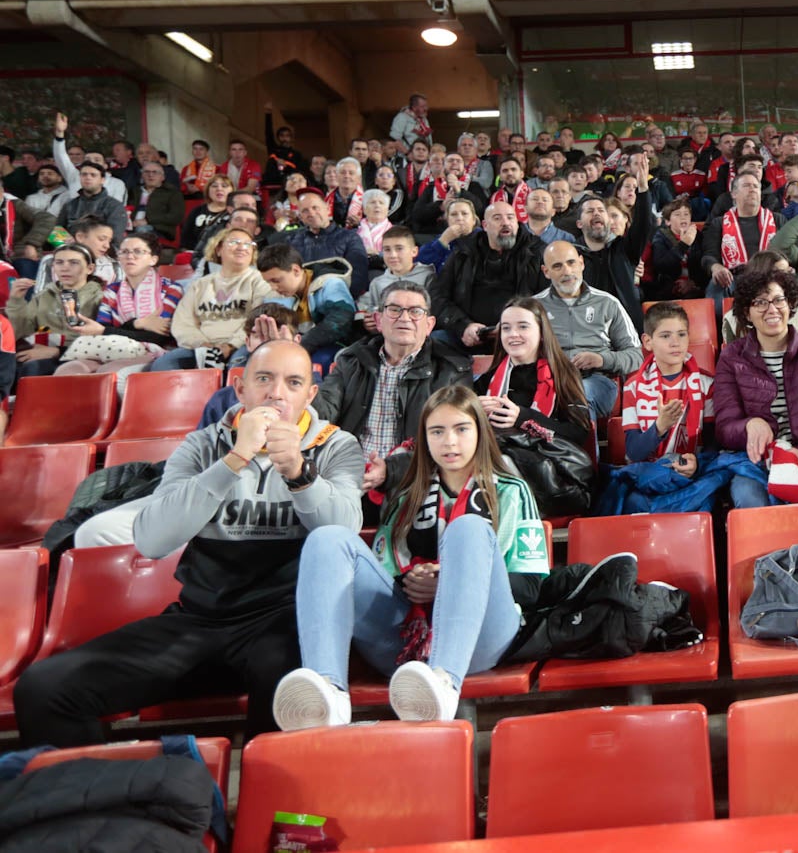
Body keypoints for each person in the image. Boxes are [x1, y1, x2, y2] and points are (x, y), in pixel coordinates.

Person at [16, 340, 365, 745]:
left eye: (293, 383)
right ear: (241, 388)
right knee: (45, 689)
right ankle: (102, 799)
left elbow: (342, 532)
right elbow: (151, 540)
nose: (276, 393)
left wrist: (300, 473)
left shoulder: (337, 446)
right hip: (200, 619)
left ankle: (267, 805)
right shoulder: (201, 447)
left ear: (310, 394)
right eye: (264, 379)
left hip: (286, 623)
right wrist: (234, 461)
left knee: (294, 696)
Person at [271, 385, 547, 729]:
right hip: (406, 645)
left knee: (469, 529)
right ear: (425, 439)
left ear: (480, 432)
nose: (449, 442)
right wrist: (413, 584)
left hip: (484, 636)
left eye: (461, 429)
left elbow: (531, 587)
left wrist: (448, 586)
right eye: (437, 431)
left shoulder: (511, 490)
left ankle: (444, 684)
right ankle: (329, 693)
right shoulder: (406, 496)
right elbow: (386, 579)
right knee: (327, 538)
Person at [314, 282, 472, 521]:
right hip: (349, 476)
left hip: (415, 480)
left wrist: (391, 470)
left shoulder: (451, 370)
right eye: (394, 309)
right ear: (378, 320)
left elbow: (451, 442)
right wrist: (297, 378)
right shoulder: (352, 361)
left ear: (429, 325)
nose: (405, 318)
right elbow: (323, 411)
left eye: (415, 311)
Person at [714, 268, 798, 508]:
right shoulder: (732, 357)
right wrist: (749, 425)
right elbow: (724, 426)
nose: (771, 309)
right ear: (747, 313)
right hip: (756, 461)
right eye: (760, 302)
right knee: (749, 498)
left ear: (791, 304)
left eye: (778, 300)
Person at [474, 296, 595, 515]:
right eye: (506, 328)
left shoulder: (564, 374)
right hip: (496, 465)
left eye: (523, 327)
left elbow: (579, 434)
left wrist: (523, 418)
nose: (513, 334)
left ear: (541, 333)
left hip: (549, 473)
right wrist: (475, 415)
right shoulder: (488, 380)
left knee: (500, 463)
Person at [535, 240, 641, 422]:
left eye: (571, 263)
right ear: (546, 272)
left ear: (581, 263)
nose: (567, 271)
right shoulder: (534, 308)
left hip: (597, 380)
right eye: (558, 266)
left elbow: (636, 356)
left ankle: (584, 452)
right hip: (547, 381)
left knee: (577, 397)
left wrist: (601, 360)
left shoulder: (607, 303)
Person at [619, 303, 718, 498]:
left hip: (692, 474)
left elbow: (713, 442)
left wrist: (698, 463)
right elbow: (633, 452)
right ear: (648, 342)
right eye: (666, 336)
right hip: (649, 474)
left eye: (681, 334)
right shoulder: (632, 386)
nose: (676, 343)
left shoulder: (706, 383)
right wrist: (659, 427)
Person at [54, 232, 182, 376]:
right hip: (110, 349)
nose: (130, 256)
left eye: (138, 252)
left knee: (107, 372)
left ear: (153, 259)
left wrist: (110, 330)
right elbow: (105, 328)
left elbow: (158, 336)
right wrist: (137, 324)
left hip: (156, 351)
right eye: (124, 252)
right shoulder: (112, 290)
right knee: (69, 370)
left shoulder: (171, 289)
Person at [151, 229, 275, 370]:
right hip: (202, 347)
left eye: (248, 244)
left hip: (243, 345)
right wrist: (202, 344)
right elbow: (182, 323)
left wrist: (231, 345)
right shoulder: (200, 285)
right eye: (235, 242)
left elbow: (259, 318)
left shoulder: (260, 281)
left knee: (240, 364)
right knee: (163, 364)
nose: (242, 247)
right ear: (218, 249)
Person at [431, 201, 546, 353]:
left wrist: (514, 325)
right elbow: (438, 297)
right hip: (468, 336)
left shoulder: (537, 252)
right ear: (485, 225)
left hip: (520, 334)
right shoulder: (463, 253)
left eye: (511, 218)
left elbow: (546, 298)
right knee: (435, 340)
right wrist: (463, 326)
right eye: (497, 218)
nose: (506, 223)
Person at [6, 243, 103, 378]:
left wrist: (57, 351)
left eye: (73, 263)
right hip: (37, 350)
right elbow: (20, 333)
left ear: (90, 268)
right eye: (59, 262)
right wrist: (16, 301)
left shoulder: (101, 297)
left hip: (79, 356)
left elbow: (104, 339)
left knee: (32, 368)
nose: (65, 268)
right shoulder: (44, 296)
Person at [257, 244, 356, 370]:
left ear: (296, 270)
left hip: (334, 345)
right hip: (296, 345)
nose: (273, 287)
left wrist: (301, 345)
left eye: (276, 281)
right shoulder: (275, 295)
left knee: (313, 363)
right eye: (268, 282)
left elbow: (341, 320)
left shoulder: (330, 283)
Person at [573, 187, 653, 333]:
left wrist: (643, 189)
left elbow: (644, 224)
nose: (596, 213)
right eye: (590, 211)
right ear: (579, 223)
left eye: (601, 210)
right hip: (587, 331)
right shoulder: (571, 256)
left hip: (626, 328)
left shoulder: (625, 248)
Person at [698, 171, 783, 301]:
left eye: (756, 186)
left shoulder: (777, 219)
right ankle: (722, 321)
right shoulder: (719, 223)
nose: (752, 189)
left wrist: (786, 263)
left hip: (771, 274)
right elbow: (709, 255)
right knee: (717, 284)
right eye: (747, 185)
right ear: (734, 194)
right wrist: (716, 267)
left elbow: (791, 250)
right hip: (735, 277)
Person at [275, 190, 371, 299]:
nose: (311, 213)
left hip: (338, 298)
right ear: (301, 216)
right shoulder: (291, 241)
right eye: (305, 211)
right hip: (300, 299)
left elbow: (359, 275)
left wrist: (339, 296)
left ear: (327, 208)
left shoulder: (349, 237)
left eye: (315, 208)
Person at [356, 226, 433, 330]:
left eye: (399, 249)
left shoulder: (429, 275)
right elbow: (375, 313)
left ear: (414, 251)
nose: (392, 255)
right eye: (387, 250)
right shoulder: (377, 283)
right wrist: (370, 324)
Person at [59, 158, 127, 246]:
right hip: (70, 250)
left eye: (93, 175)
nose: (88, 177)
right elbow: (56, 231)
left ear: (102, 180)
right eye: (84, 174)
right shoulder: (70, 205)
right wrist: (63, 244)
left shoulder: (114, 206)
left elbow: (115, 237)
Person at [417, 197, 479, 270]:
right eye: (454, 214)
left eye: (464, 213)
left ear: (474, 220)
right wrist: (443, 241)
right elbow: (419, 263)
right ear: (447, 221)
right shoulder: (442, 239)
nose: (459, 218)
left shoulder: (484, 239)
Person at [129, 161, 185, 242]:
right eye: (147, 172)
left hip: (159, 229)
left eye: (155, 172)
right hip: (132, 226)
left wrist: (148, 220)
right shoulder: (134, 191)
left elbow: (176, 216)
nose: (150, 175)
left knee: (141, 231)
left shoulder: (172, 192)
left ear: (162, 177)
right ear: (142, 175)